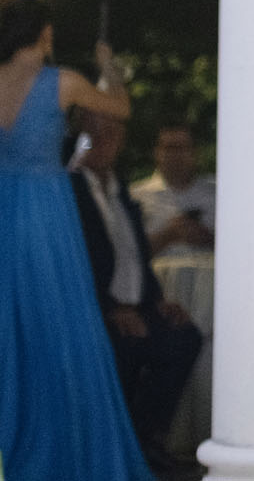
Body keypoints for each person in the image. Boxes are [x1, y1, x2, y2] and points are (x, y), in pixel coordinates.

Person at [0, 0, 155, 480]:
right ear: (44, 34)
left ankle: (1, 456)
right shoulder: (62, 82)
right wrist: (111, 67)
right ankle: (65, 452)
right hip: (43, 209)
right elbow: (119, 108)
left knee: (5, 329)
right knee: (61, 324)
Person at [71, 110, 204, 468]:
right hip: (96, 309)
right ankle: (119, 446)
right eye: (97, 134)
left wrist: (157, 300)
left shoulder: (120, 190)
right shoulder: (72, 191)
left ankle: (144, 438)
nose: (106, 143)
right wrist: (112, 308)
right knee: (127, 345)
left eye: (113, 135)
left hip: (138, 304)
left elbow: (134, 257)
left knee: (185, 337)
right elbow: (77, 261)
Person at [130, 123, 217, 256]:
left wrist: (206, 238)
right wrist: (168, 236)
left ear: (195, 152)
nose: (176, 155)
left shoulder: (217, 194)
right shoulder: (136, 196)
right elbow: (128, 254)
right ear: (157, 153)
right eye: (169, 148)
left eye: (182, 148)